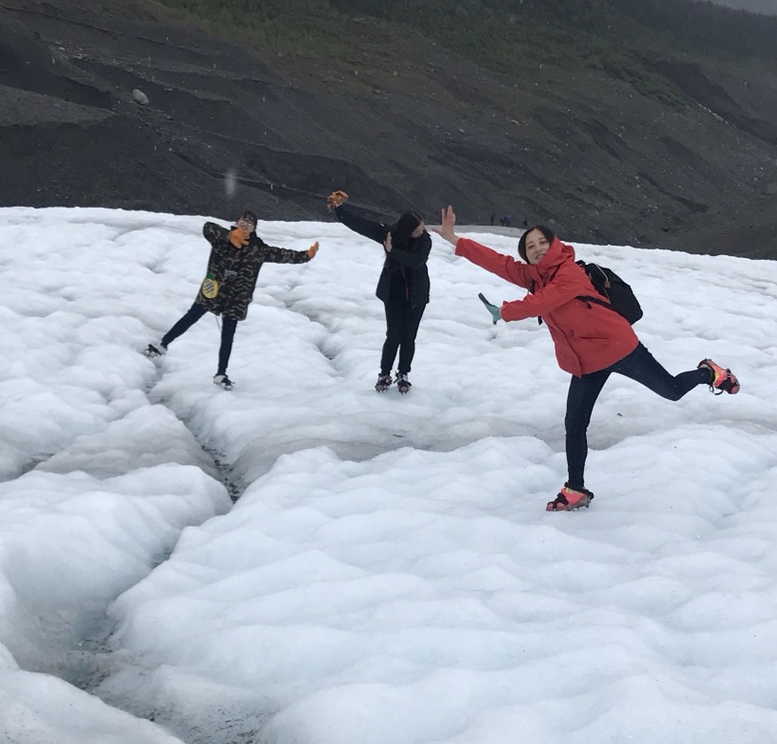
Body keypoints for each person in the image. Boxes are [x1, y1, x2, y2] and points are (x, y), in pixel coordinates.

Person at [438, 206, 739, 510]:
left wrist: (504, 311)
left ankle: (708, 372)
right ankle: (575, 489)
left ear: (553, 243)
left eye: (542, 242)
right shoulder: (533, 276)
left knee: (672, 391)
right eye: (530, 247)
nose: (538, 249)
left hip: (618, 347)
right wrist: (455, 240)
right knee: (575, 424)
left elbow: (542, 302)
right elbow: (499, 263)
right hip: (585, 361)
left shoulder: (569, 273)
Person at [146, 211, 318, 388]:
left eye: (250, 222)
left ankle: (221, 374)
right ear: (236, 222)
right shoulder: (221, 239)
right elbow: (207, 227)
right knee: (191, 317)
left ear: (254, 228)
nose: (245, 224)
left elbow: (282, 255)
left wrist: (306, 255)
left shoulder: (258, 249)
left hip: (237, 298)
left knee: (228, 335)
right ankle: (163, 344)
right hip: (213, 291)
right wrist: (229, 235)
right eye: (243, 220)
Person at [325, 189, 431, 393]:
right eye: (418, 229)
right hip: (393, 294)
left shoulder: (425, 241)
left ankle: (403, 374)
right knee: (393, 336)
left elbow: (416, 262)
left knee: (408, 337)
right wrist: (340, 210)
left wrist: (393, 251)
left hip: (417, 296)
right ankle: (384, 374)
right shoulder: (389, 235)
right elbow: (362, 225)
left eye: (422, 228)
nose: (422, 232)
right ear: (406, 229)